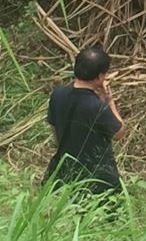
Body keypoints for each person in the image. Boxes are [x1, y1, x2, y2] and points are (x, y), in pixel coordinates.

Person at [44, 47, 125, 195]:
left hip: (64, 172)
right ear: (100, 77)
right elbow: (119, 133)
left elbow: (54, 129)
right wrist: (109, 101)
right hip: (98, 179)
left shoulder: (58, 95)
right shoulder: (96, 106)